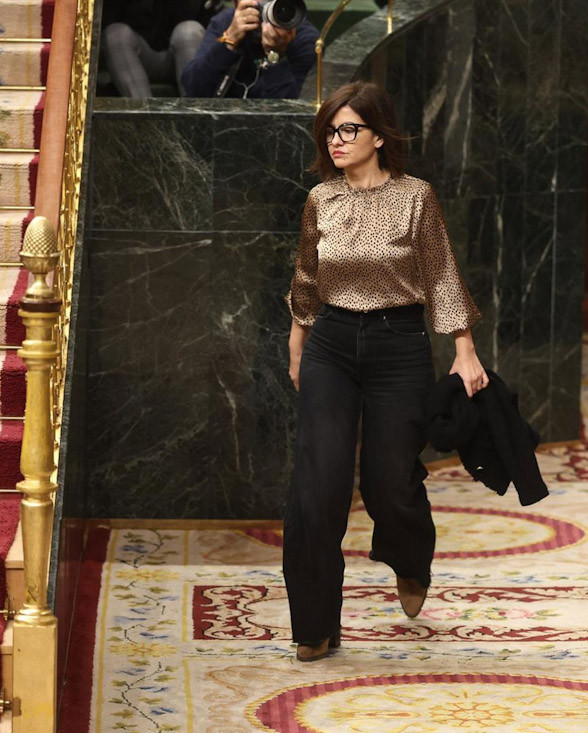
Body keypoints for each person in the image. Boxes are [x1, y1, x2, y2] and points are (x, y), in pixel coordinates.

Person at [283, 81, 488, 662]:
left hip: (399, 346)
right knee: (317, 487)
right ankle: (315, 627)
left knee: (389, 481)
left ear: (378, 134)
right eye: (330, 130)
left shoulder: (416, 196)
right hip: (332, 345)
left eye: (349, 129)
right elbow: (305, 277)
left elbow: (442, 272)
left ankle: (409, 556)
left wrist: (464, 347)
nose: (337, 139)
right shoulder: (321, 199)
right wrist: (299, 343)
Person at [181, 0, 318, 99]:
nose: (265, 9)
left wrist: (275, 55)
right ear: (237, 4)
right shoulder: (224, 23)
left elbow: (294, 116)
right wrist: (229, 41)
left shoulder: (304, 38)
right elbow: (193, 89)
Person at [100, 0, 212, 98]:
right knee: (115, 33)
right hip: (135, 56)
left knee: (189, 30)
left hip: (184, 55)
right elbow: (107, 17)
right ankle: (144, 117)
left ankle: (194, 116)